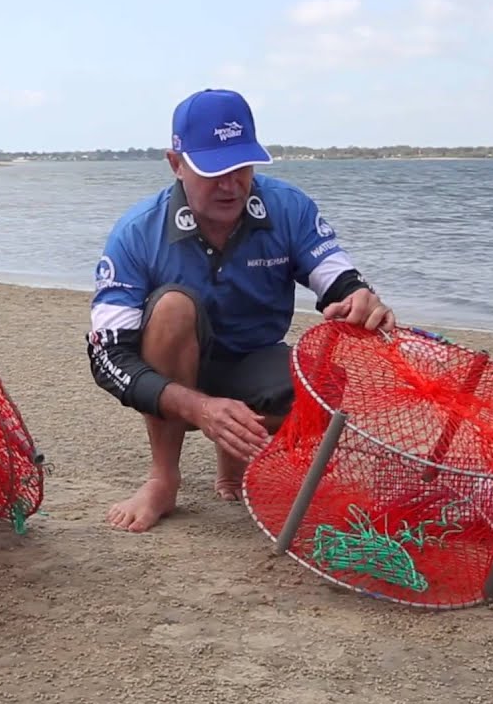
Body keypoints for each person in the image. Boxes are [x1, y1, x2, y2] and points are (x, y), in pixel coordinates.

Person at [85, 88, 396, 533]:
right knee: (172, 309)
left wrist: (361, 298)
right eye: (214, 170)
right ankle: (163, 478)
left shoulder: (288, 206)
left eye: (242, 166)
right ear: (176, 164)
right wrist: (200, 407)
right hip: (175, 370)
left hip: (254, 359)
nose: (231, 184)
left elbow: (339, 281)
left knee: (327, 389)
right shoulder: (136, 232)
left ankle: (235, 456)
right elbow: (108, 357)